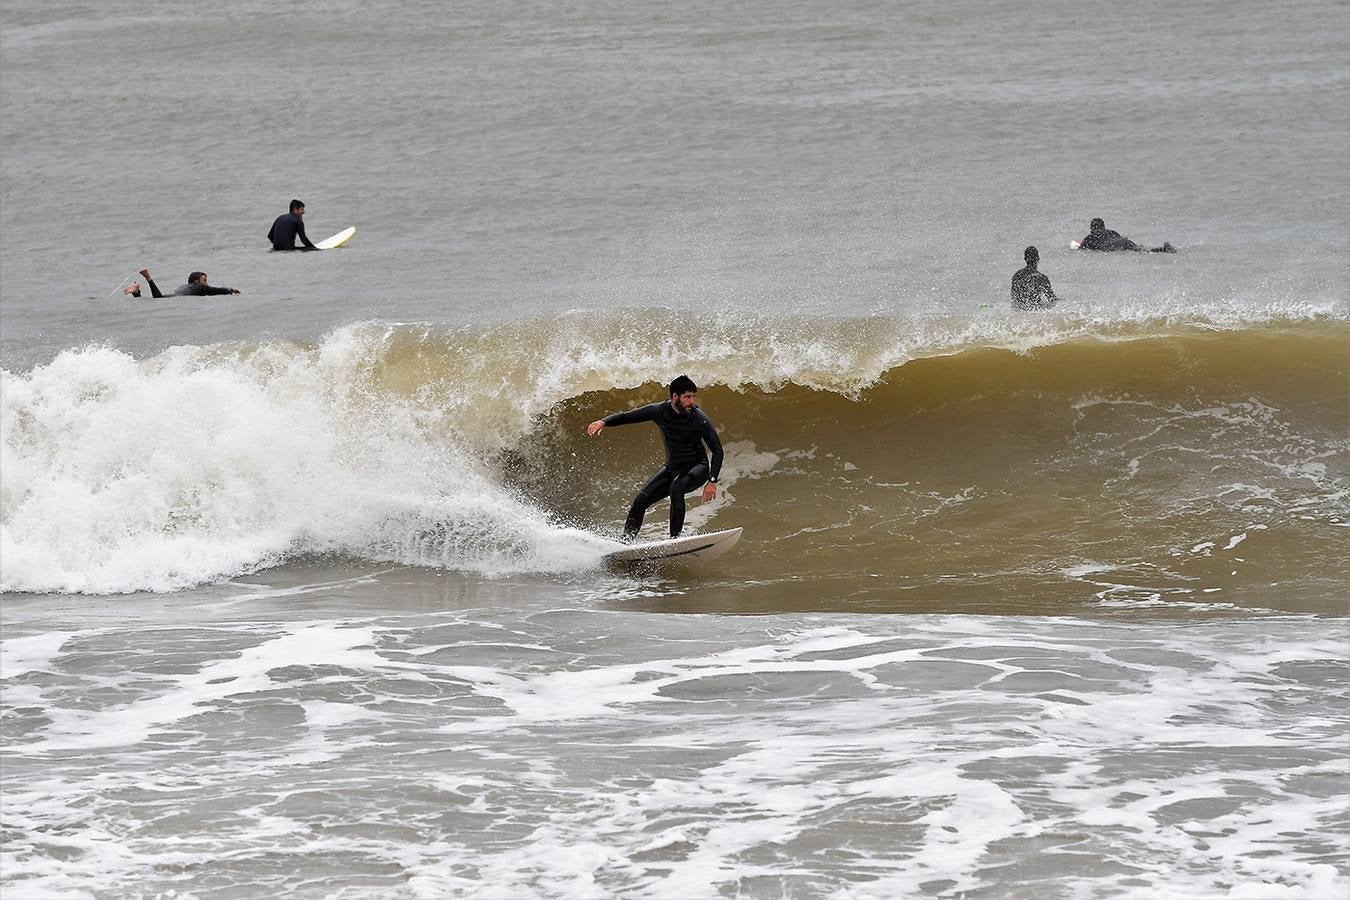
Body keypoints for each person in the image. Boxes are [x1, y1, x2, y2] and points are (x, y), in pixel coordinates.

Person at [587, 375, 724, 540]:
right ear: (675, 396)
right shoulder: (659, 411)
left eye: (693, 396)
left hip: (697, 468)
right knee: (640, 501)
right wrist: (604, 422)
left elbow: (717, 449)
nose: (692, 401)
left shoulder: (698, 418)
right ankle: (625, 542)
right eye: (687, 397)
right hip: (672, 468)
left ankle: (674, 541)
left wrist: (712, 481)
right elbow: (627, 416)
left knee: (677, 487)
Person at [1076, 217, 1175, 253]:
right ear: (1104, 226)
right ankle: (1163, 249)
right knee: (1141, 250)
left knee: (1139, 252)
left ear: (1091, 228)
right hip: (1124, 242)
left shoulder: (1089, 238)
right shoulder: (1112, 232)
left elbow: (1081, 251)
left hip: (1111, 246)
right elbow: (1120, 238)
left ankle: (1163, 250)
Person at [124, 268, 240, 298]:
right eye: (204, 280)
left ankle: (136, 292)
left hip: (174, 296)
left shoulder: (184, 286)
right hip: (176, 298)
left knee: (158, 298)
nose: (206, 283)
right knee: (158, 298)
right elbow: (216, 290)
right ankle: (148, 277)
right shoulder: (199, 287)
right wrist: (230, 290)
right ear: (196, 281)